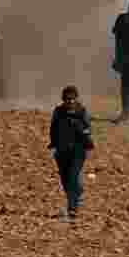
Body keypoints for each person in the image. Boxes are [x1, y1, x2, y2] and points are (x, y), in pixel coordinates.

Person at [48, 85, 94, 220]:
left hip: (78, 151)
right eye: (67, 99)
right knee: (65, 180)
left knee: (73, 177)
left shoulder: (82, 111)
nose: (70, 101)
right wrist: (53, 144)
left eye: (72, 99)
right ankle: (77, 194)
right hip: (62, 151)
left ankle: (72, 208)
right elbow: (53, 128)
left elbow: (88, 129)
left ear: (76, 99)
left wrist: (84, 136)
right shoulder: (58, 111)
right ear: (63, 100)